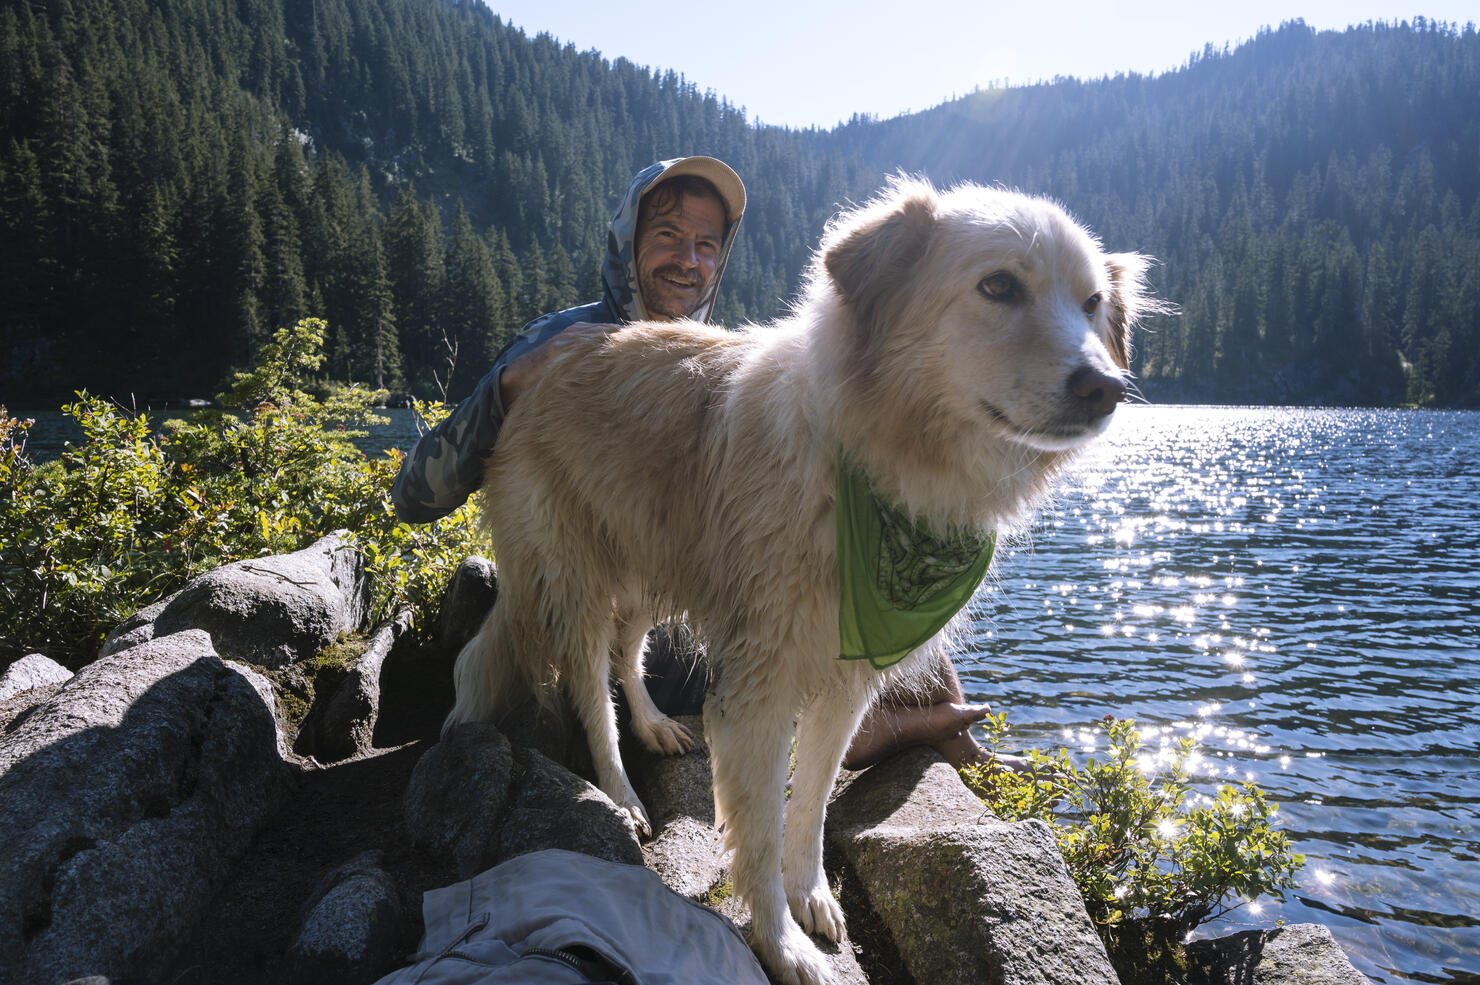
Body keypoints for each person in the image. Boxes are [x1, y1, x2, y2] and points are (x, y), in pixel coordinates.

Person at [391, 156, 996, 770]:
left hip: (683, 607)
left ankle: (941, 730)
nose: (689, 259)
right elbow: (414, 496)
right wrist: (509, 384)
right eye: (667, 236)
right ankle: (900, 731)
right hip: (653, 606)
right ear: (628, 243)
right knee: (768, 657)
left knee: (884, 562)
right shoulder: (560, 346)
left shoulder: (720, 365)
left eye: (707, 244)